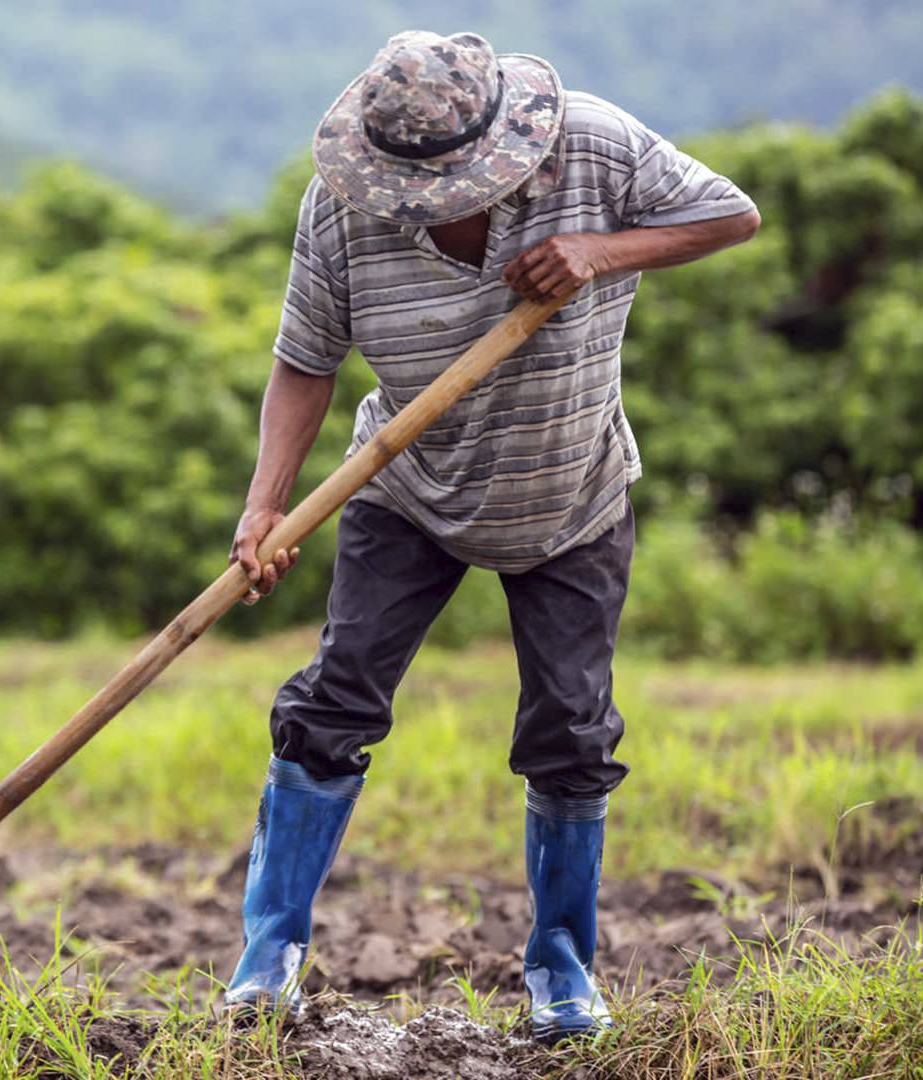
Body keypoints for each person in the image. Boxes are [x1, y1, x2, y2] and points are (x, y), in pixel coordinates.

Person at [223, 30, 761, 1042]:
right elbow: (305, 359)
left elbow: (731, 215)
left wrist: (600, 251)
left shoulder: (595, 147)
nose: (433, 205)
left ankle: (562, 974)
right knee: (333, 703)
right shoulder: (343, 207)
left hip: (572, 493)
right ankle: (268, 963)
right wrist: (266, 506)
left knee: (570, 729)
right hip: (406, 486)